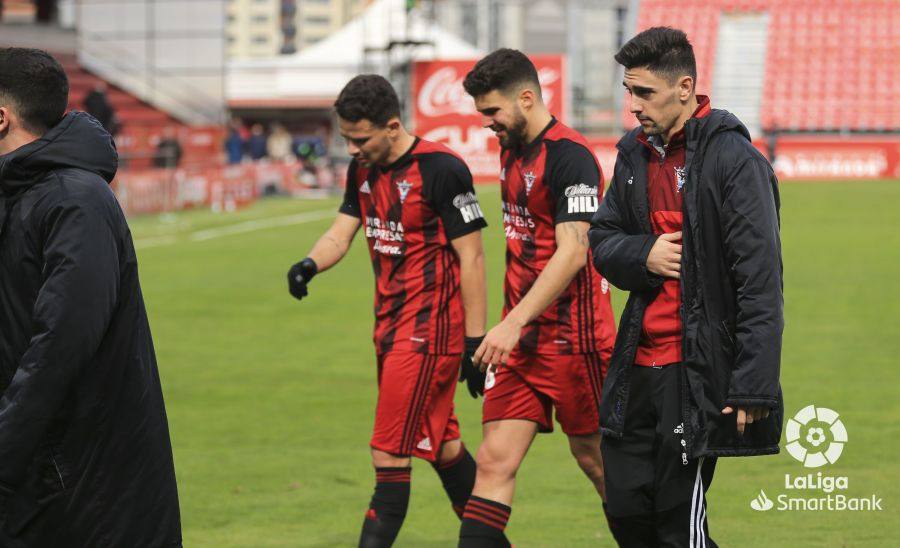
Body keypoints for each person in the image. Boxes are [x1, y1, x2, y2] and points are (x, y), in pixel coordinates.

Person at [588, 27, 784, 547]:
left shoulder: (734, 160)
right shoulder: (633, 153)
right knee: (627, 511)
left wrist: (753, 384)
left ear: (685, 87)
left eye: (644, 92)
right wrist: (643, 255)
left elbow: (760, 281)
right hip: (634, 367)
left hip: (693, 374)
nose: (632, 105)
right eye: (629, 91)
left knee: (679, 528)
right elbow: (603, 238)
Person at [286, 74, 490, 548]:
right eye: (346, 139)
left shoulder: (442, 169)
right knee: (443, 447)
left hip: (429, 333)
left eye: (360, 139)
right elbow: (342, 231)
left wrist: (475, 342)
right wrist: (310, 264)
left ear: (393, 126)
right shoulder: (363, 169)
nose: (353, 149)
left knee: (388, 454)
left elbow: (473, 257)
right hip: (390, 328)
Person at [0, 47, 181, 546]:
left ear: (1, 118)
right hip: (39, 469)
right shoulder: (20, 193)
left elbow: (61, 342)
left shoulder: (75, 201)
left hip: (81, 480)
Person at [459, 49, 617, 546]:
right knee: (493, 461)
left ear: (526, 98)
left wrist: (510, 324)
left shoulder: (572, 157)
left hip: (577, 342)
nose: (487, 124)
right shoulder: (513, 147)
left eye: (492, 112)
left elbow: (573, 252)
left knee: (597, 463)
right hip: (521, 346)